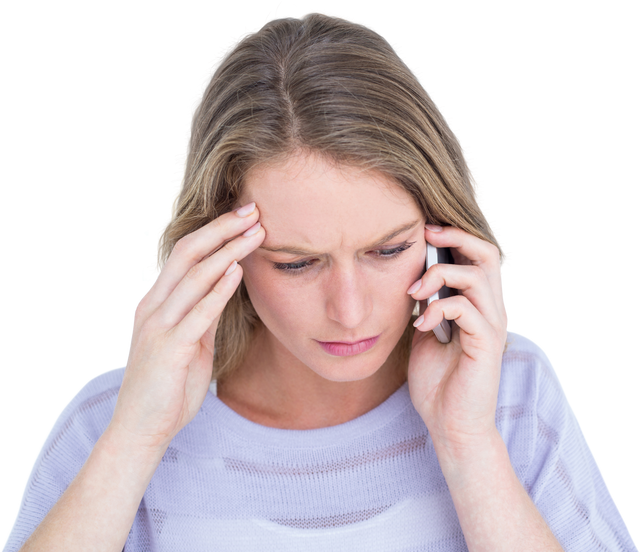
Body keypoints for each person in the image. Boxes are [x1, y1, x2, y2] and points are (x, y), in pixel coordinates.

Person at [3, 4, 636, 552]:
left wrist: (466, 442)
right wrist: (137, 436)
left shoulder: (511, 389)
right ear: (217, 250)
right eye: (296, 263)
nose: (351, 311)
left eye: (387, 251)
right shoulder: (111, 421)